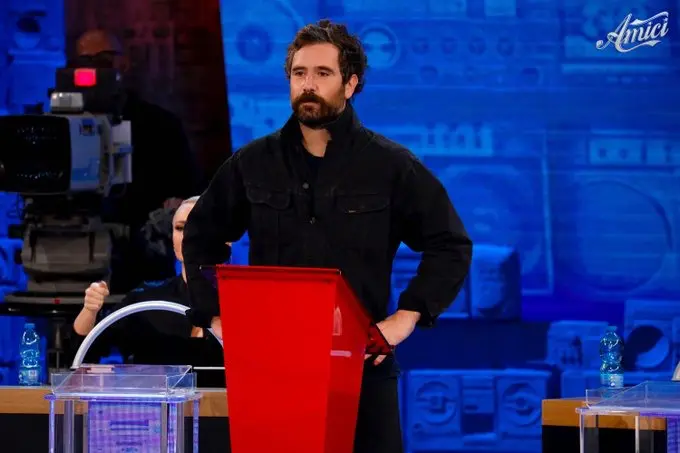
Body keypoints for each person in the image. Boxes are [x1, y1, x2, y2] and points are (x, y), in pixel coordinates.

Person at [182, 19, 473, 453]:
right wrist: (218, 318)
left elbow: (450, 244)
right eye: (299, 73)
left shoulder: (391, 166)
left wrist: (406, 317)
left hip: (362, 367)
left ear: (350, 84)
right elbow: (201, 236)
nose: (308, 85)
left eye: (323, 73)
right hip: (272, 370)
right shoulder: (253, 162)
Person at [73, 29, 202, 291]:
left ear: (123, 63)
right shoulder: (59, 127)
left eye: (103, 60)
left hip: (141, 260)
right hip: (73, 254)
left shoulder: (160, 125)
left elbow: (188, 190)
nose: (95, 70)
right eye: (85, 62)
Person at [72, 197, 223, 384]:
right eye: (180, 228)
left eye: (200, 226)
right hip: (154, 402)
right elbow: (87, 351)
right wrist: (89, 310)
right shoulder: (146, 300)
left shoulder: (245, 304)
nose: (189, 235)